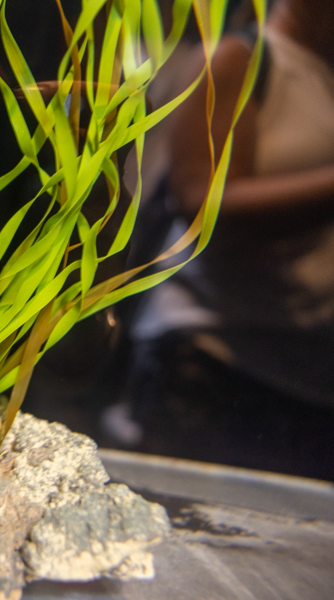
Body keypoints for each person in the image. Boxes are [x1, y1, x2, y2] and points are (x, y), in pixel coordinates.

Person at [126, 0, 334, 480]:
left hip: (304, 377)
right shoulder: (242, 56)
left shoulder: (320, 74)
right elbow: (199, 198)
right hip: (215, 362)